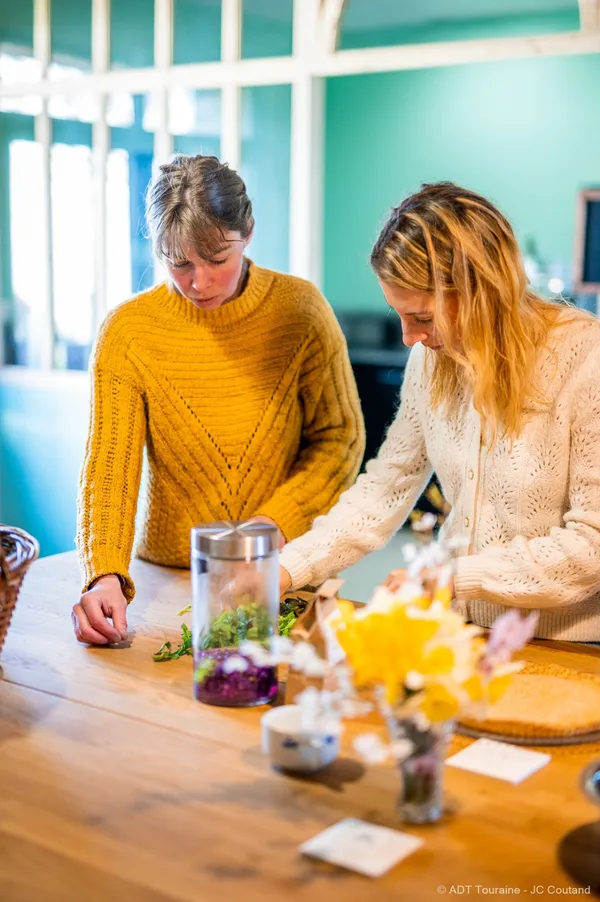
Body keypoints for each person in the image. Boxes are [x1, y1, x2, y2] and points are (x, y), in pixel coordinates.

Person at [280, 182, 600, 642]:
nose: (409, 337)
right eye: (400, 315)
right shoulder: (431, 362)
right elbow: (386, 488)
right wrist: (287, 568)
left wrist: (452, 576)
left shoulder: (584, 358)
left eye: (424, 318)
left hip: (569, 649)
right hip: (466, 636)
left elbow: (591, 546)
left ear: (482, 291)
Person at [72, 154, 365, 645]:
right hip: (163, 584)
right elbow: (109, 467)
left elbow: (341, 439)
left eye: (217, 259)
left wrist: (271, 526)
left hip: (283, 572)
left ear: (247, 232)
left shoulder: (300, 311)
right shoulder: (128, 332)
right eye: (179, 262)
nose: (199, 281)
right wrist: (105, 572)